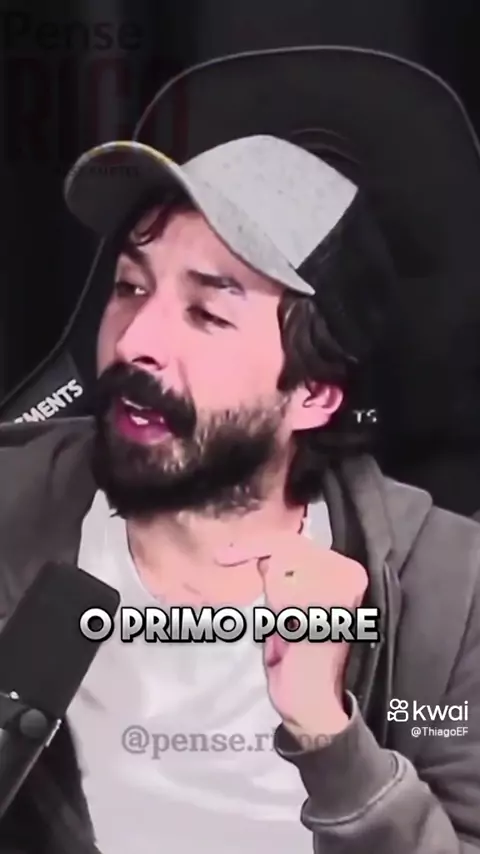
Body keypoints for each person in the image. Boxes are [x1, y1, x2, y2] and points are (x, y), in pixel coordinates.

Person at [1, 46, 480, 854]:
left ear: (313, 395)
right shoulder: (11, 508)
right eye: (130, 287)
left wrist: (331, 739)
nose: (134, 342)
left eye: (208, 314)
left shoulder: (450, 589)